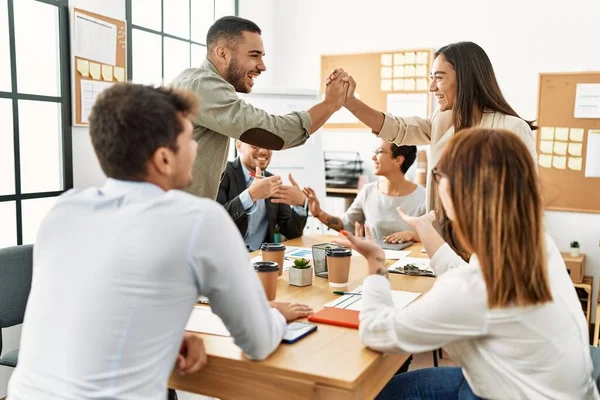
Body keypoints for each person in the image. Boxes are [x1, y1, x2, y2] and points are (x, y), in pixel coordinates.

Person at [7, 84, 313, 400]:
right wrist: (276, 314)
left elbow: (94, 305)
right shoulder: (199, 220)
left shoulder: (65, 210)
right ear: (165, 159)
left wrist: (169, 334)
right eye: (190, 140)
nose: (198, 149)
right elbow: (258, 342)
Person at [334, 128, 598, 400]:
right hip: (546, 386)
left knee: (377, 394)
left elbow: (377, 333)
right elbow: (469, 280)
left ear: (460, 192)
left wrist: (376, 260)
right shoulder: (538, 245)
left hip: (512, 390)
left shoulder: (475, 289)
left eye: (440, 175)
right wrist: (424, 228)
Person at [327, 41, 537, 254]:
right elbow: (397, 128)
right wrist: (349, 101)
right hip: (444, 247)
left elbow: (524, 204)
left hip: (491, 250)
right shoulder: (441, 120)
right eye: (431, 78)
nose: (432, 87)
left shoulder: (511, 128)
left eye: (439, 78)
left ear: (466, 78)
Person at [170, 16, 348, 200]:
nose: (262, 66)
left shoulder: (196, 84)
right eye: (254, 55)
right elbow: (271, 133)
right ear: (222, 54)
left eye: (262, 56)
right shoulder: (202, 86)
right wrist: (329, 104)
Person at [303, 140, 425, 243]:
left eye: (380, 152)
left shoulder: (423, 197)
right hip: (374, 259)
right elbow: (345, 225)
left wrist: (412, 235)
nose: (373, 157)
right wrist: (319, 213)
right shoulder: (368, 191)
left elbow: (439, 238)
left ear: (398, 160)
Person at [217, 141, 308, 251]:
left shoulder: (272, 181)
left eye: (269, 146)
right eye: (255, 145)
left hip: (261, 260)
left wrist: (300, 203)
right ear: (239, 146)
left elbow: (292, 232)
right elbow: (216, 222)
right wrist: (250, 195)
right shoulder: (222, 172)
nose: (263, 151)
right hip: (228, 257)